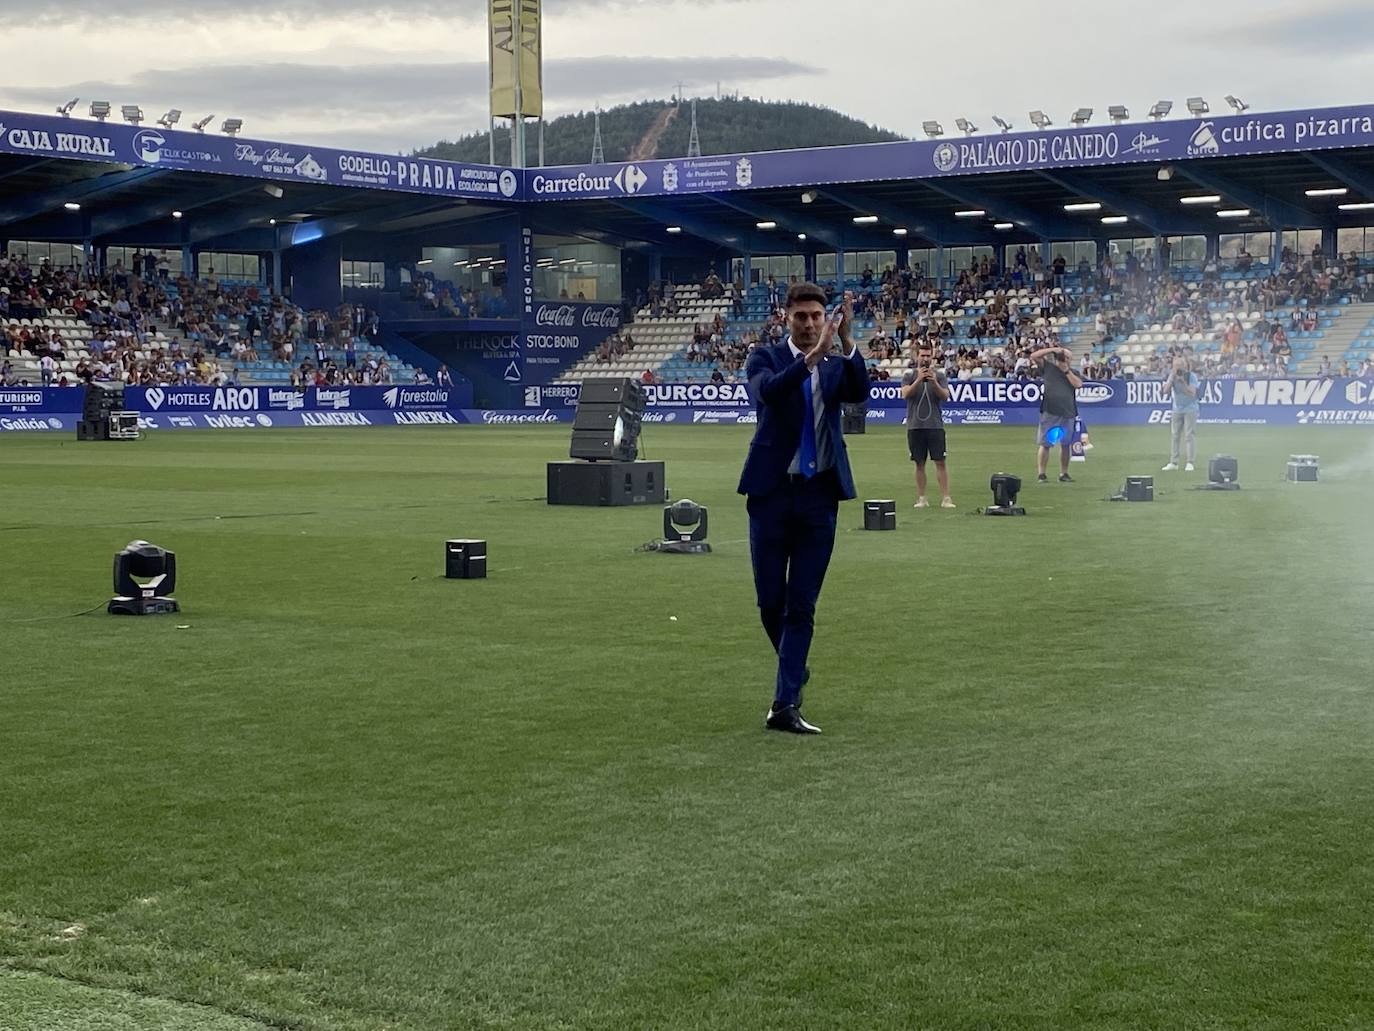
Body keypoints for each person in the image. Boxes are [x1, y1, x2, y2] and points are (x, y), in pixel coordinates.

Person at [738, 283, 869, 735]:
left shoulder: (836, 361)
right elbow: (769, 394)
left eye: (817, 316)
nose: (811, 324)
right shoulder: (765, 357)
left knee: (802, 605)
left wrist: (848, 342)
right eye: (802, 317)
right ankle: (793, 668)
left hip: (819, 495)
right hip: (772, 494)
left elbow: (860, 390)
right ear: (786, 317)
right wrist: (810, 360)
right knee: (769, 603)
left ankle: (785, 702)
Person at [899, 338, 953, 509]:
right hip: (915, 425)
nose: (925, 358)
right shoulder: (909, 376)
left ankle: (946, 497)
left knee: (940, 462)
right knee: (919, 463)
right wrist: (918, 380)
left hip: (935, 425)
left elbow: (945, 396)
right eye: (922, 355)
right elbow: (906, 394)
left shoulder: (940, 375)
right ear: (917, 356)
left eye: (928, 355)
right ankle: (922, 498)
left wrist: (933, 382)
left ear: (932, 357)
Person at [1031, 344, 1082, 483]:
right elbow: (1034, 356)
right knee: (1046, 443)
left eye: (1067, 358)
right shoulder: (1048, 368)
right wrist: (1053, 350)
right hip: (1050, 410)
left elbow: (1078, 384)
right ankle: (1042, 473)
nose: (1065, 360)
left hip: (1068, 411)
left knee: (1065, 444)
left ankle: (1064, 473)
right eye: (1063, 357)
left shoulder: (1073, 372)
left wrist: (1066, 371)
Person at [1161, 357, 1200, 472]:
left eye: (1179, 366)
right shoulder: (1172, 376)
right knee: (1175, 435)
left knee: (1189, 435)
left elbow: (1192, 393)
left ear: (1184, 366)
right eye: (1175, 366)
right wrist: (1171, 380)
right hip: (1177, 409)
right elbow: (1165, 391)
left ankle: (1190, 462)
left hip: (1190, 408)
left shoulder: (1191, 376)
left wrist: (1183, 382)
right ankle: (1174, 462)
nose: (1177, 369)